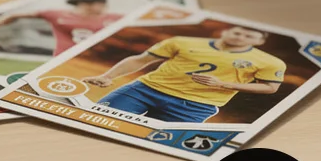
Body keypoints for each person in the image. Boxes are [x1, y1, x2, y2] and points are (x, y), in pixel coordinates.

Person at [80, 25, 286, 123]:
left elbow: (270, 87)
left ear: (259, 42)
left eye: (249, 35)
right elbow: (141, 60)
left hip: (195, 106)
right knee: (97, 121)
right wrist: (108, 76)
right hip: (144, 90)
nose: (241, 37)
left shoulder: (270, 62)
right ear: (224, 32)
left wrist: (224, 84)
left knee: (157, 145)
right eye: (237, 32)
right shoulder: (182, 41)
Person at [0, 0, 121, 56]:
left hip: (98, 59)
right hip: (64, 58)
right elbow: (13, 16)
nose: (105, 8)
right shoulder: (56, 14)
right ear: (85, 4)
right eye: (101, 4)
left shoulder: (114, 18)